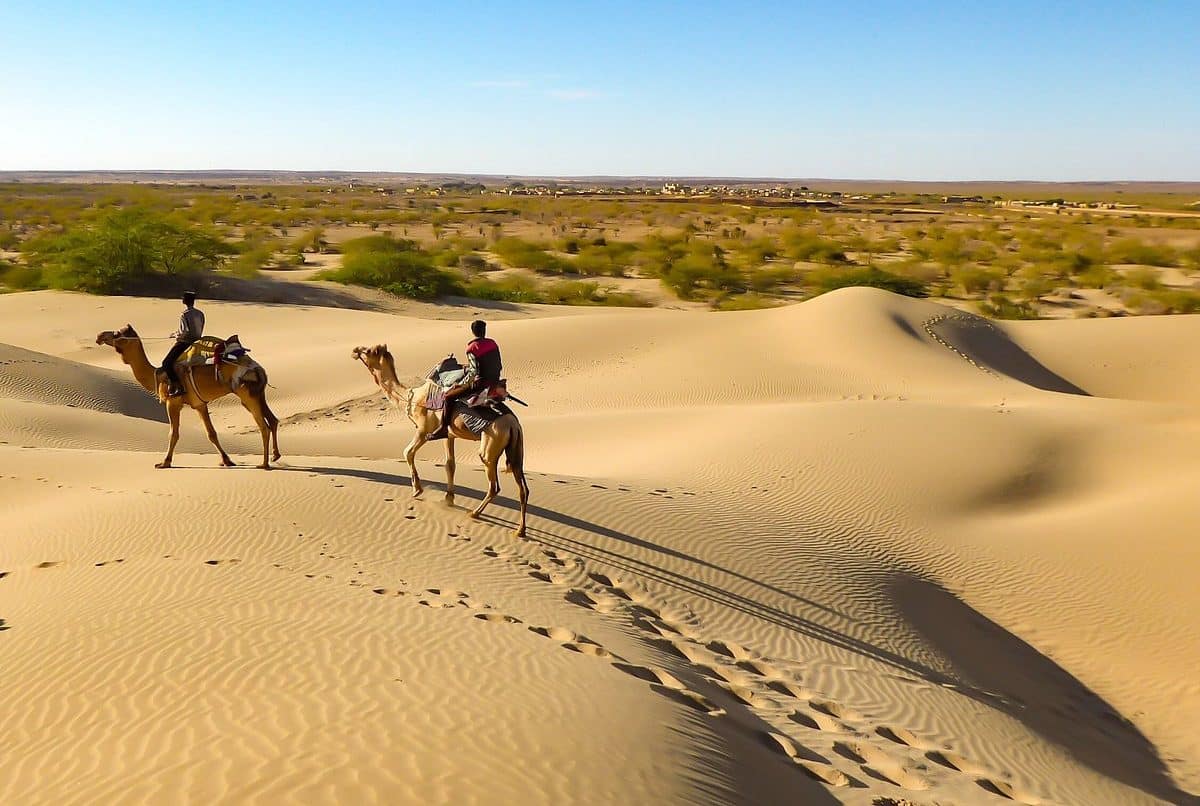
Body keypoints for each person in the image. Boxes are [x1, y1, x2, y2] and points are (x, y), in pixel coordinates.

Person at [430, 320, 502, 439]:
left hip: (480, 384)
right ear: (484, 331)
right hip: (495, 380)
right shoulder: (493, 343)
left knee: (448, 397)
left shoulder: (472, 348)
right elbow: (498, 364)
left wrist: (460, 384)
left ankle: (443, 428)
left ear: (473, 332)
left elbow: (473, 372)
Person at [161, 291, 205, 396]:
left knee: (166, 363)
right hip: (197, 342)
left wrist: (176, 335)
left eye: (183, 298)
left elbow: (184, 331)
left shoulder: (184, 314)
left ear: (185, 301)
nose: (182, 299)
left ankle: (178, 386)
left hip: (185, 342)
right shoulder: (200, 314)